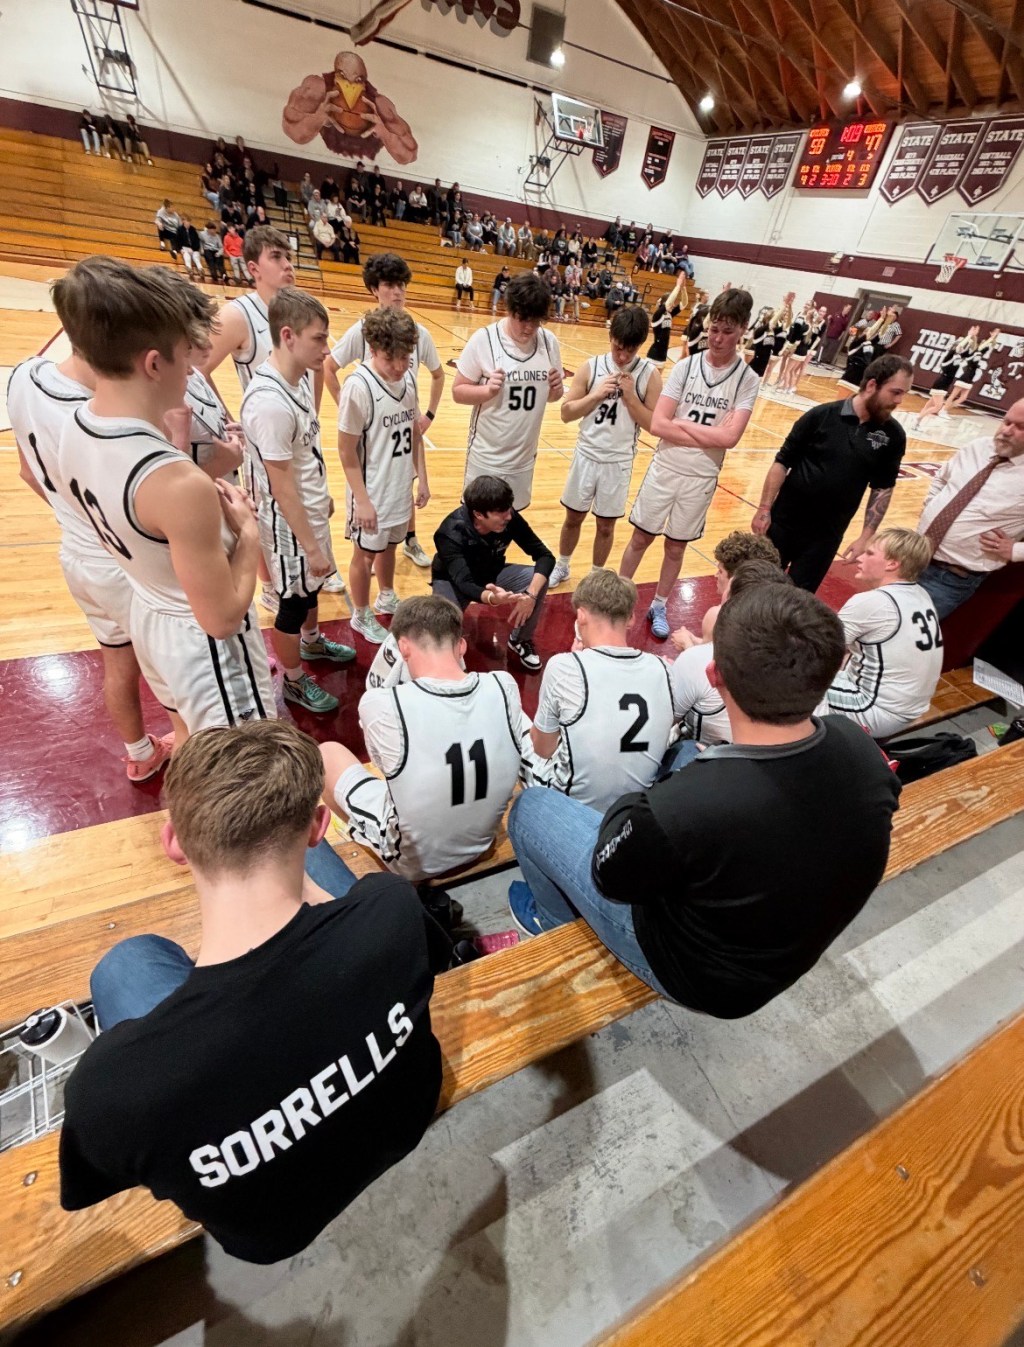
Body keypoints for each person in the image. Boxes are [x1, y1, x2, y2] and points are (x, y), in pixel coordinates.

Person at [60, 720, 443, 1264]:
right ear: (319, 827)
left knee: (127, 963)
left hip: (271, 1234)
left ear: (173, 841)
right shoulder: (392, 908)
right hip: (406, 1120)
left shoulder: (111, 1088)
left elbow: (97, 1180)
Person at [507, 582, 901, 1016]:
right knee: (688, 751)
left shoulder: (684, 808)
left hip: (696, 974)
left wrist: (634, 812)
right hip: (789, 947)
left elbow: (611, 878)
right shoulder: (861, 749)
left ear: (714, 677)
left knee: (531, 808)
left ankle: (553, 923)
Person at [54, 258, 274, 742]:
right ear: (154, 363)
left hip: (150, 615)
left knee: (195, 743)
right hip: (203, 644)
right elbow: (221, 617)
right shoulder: (179, 484)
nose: (194, 367)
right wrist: (249, 534)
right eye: (186, 356)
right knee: (245, 772)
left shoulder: (70, 428)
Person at [7, 305, 174, 783]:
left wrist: (73, 515)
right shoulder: (97, 418)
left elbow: (25, 471)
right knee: (174, 680)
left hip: (77, 557)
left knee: (117, 662)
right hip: (123, 562)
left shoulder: (24, 376)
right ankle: (196, 790)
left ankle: (140, 753)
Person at [321, 595, 530, 881]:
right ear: (462, 646)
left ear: (403, 647)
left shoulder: (380, 703)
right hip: (483, 841)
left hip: (414, 863)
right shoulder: (504, 685)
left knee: (327, 754)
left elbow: (387, 771)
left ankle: (367, 838)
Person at [198, 227, 344, 605]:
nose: (288, 266)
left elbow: (314, 370)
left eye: (289, 257)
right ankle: (271, 583)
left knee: (310, 495)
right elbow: (198, 369)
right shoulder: (237, 314)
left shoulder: (301, 309)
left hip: (298, 428)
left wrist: (311, 412)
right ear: (253, 267)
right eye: (276, 257)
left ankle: (313, 563)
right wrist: (231, 418)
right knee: (272, 506)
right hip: (267, 431)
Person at [619, 289, 759, 640]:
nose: (717, 338)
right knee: (640, 537)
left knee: (676, 546)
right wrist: (709, 431)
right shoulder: (685, 366)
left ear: (742, 329)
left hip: (701, 477)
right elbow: (658, 424)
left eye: (727, 331)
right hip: (666, 466)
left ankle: (660, 604)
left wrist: (682, 427)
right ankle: (619, 599)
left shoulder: (748, 380)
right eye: (713, 329)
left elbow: (730, 439)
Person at [241, 289, 355, 713]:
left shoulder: (299, 380)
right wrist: (308, 544)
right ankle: (291, 681)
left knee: (310, 592)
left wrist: (321, 493)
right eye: (319, 339)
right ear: (287, 336)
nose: (326, 349)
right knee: (291, 604)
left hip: (307, 512)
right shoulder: (269, 402)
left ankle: (311, 644)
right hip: (288, 527)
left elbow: (304, 453)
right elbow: (280, 483)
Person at [323, 252, 444, 571]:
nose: (398, 291)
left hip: (404, 424)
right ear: (374, 289)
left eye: (402, 284)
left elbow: (438, 373)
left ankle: (410, 539)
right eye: (390, 285)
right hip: (375, 432)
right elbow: (329, 367)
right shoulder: (362, 330)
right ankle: (368, 548)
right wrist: (350, 416)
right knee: (373, 488)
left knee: (406, 485)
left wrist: (428, 415)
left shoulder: (419, 333)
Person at [752, 354, 912, 593]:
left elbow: (882, 487)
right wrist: (764, 509)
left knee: (796, 601)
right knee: (756, 588)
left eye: (903, 394)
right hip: (782, 524)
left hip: (826, 537)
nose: (900, 401)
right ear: (871, 386)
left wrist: (865, 537)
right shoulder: (821, 416)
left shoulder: (893, 436)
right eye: (895, 392)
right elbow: (782, 463)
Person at [526, 570, 680, 811]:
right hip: (637, 810)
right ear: (630, 618)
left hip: (577, 809)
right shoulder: (665, 668)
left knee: (518, 726)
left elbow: (543, 749)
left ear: (581, 616)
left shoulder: (565, 667)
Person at [550, 307, 661, 587]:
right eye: (618, 347)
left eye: (630, 350)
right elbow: (566, 413)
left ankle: (596, 575)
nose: (622, 356)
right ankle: (562, 565)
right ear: (610, 336)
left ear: (641, 346)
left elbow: (655, 426)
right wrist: (597, 394)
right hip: (586, 455)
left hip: (618, 461)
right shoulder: (592, 366)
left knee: (606, 525)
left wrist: (632, 399)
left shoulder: (649, 374)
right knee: (573, 517)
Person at [336, 308, 427, 645]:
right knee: (365, 554)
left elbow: (415, 432)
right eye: (392, 358)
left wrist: (423, 478)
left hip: (399, 485)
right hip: (371, 492)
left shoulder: (409, 379)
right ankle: (360, 614)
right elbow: (345, 451)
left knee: (391, 545)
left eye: (405, 357)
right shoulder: (358, 388)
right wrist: (361, 501)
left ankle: (386, 594)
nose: (400, 365)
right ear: (372, 349)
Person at [452, 272, 564, 510]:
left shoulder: (548, 342)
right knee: (477, 528)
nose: (529, 328)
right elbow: (458, 391)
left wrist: (557, 389)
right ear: (510, 309)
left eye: (536, 322)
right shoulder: (484, 340)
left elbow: (552, 397)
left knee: (509, 526)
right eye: (522, 319)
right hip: (487, 458)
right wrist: (486, 391)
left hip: (524, 460)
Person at [822, 528, 943, 738]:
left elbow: (818, 651)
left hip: (875, 710)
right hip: (908, 708)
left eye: (869, 553)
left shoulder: (875, 602)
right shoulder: (921, 594)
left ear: (892, 564)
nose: (859, 557)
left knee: (787, 680)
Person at [431, 475, 553, 672]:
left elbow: (545, 556)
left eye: (508, 509)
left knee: (538, 579)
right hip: (453, 581)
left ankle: (520, 640)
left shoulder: (509, 517)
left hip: (493, 573)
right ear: (479, 514)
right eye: (501, 512)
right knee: (441, 625)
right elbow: (464, 583)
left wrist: (530, 595)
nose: (509, 516)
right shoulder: (449, 532)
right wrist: (492, 599)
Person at [916, 399, 1024, 619]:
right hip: (912, 555)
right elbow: (941, 478)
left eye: (1020, 427)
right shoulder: (977, 447)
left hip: (950, 578)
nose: (1006, 431)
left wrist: (1015, 551)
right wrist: (931, 505)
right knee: (876, 622)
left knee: (904, 638)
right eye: (1006, 422)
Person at [668, 559, 790, 750]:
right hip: (781, 761)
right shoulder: (801, 657)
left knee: (683, 746)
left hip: (716, 758)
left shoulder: (699, 661)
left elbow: (662, 722)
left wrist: (671, 669)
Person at [669, 529, 783, 651]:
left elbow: (712, 664)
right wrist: (696, 641)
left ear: (737, 579)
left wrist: (687, 646)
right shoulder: (779, 612)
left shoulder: (717, 616)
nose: (716, 575)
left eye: (721, 571)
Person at [910, 330, 977, 427]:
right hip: (941, 382)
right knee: (937, 407)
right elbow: (959, 347)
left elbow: (972, 349)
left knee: (931, 403)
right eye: (962, 346)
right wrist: (968, 336)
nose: (963, 348)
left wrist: (973, 338)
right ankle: (918, 419)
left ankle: (918, 418)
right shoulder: (950, 355)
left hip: (946, 383)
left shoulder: (960, 356)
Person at [647, 277, 685, 366]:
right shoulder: (658, 315)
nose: (674, 304)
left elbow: (684, 303)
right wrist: (678, 286)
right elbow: (668, 303)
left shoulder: (669, 314)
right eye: (673, 302)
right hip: (654, 354)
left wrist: (683, 289)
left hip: (663, 354)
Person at [813, 303, 852, 368]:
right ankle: (816, 358)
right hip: (828, 333)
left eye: (849, 309)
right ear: (844, 307)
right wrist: (828, 318)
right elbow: (829, 321)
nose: (848, 310)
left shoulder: (846, 319)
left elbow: (844, 330)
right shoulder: (836, 314)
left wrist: (840, 337)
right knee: (823, 346)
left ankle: (821, 360)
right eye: (848, 308)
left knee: (829, 349)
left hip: (836, 337)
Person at [175, 215, 204, 280]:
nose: (188, 224)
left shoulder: (193, 229)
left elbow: (197, 240)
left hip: (193, 248)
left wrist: (194, 249)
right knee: (186, 256)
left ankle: (200, 269)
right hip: (184, 248)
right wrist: (180, 249)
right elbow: (177, 241)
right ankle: (189, 269)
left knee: (196, 257)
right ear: (183, 222)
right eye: (187, 222)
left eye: (189, 222)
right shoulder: (179, 230)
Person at [199, 220, 225, 285]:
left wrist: (219, 253)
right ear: (209, 229)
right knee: (210, 260)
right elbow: (201, 242)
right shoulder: (202, 234)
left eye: (214, 230)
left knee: (220, 260)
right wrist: (201, 250)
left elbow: (221, 247)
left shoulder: (217, 236)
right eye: (212, 230)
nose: (213, 231)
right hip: (207, 249)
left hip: (216, 250)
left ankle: (224, 275)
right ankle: (214, 276)